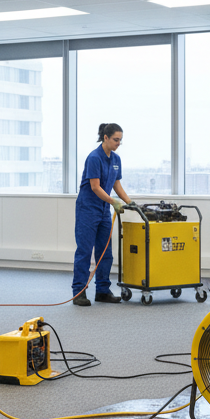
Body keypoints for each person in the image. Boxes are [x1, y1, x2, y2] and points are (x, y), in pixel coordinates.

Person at [72, 123, 131, 306]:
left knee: (105, 252)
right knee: (84, 251)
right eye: (115, 139)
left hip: (104, 210)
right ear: (105, 137)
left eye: (120, 140)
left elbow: (116, 185)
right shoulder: (94, 158)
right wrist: (114, 202)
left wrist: (131, 203)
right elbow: (95, 187)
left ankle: (103, 291)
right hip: (88, 209)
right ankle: (79, 292)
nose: (118, 143)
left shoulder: (116, 159)